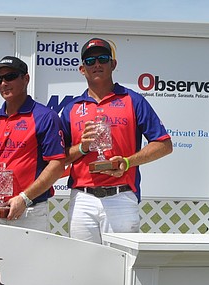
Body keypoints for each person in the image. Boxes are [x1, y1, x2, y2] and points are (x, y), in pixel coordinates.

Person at [61, 38, 173, 244]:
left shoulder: (133, 100)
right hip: (83, 199)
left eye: (103, 59)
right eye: (90, 60)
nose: (96, 64)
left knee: (122, 264)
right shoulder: (71, 108)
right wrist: (82, 148)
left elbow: (164, 145)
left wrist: (127, 162)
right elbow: (60, 158)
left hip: (121, 196)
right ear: (81, 69)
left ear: (113, 64)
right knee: (83, 265)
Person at [0, 56, 66, 232]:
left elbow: (57, 165)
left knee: (32, 261)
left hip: (30, 211)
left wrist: (24, 198)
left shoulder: (45, 117)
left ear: (26, 79)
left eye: (10, 76)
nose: (3, 83)